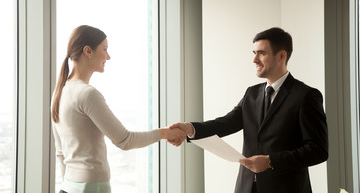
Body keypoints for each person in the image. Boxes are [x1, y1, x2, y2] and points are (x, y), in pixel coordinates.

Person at [170, 27, 328, 193]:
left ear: (281, 56)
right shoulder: (251, 93)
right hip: (246, 188)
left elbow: (318, 150)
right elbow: (225, 123)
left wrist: (270, 161)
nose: (254, 60)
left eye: (261, 53)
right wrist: (190, 129)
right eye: (254, 52)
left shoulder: (306, 96)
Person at [51, 25, 186, 193]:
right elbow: (125, 141)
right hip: (92, 187)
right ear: (88, 51)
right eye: (105, 49)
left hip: (68, 187)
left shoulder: (60, 93)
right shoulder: (87, 94)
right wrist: (164, 133)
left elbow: (60, 153)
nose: (108, 56)